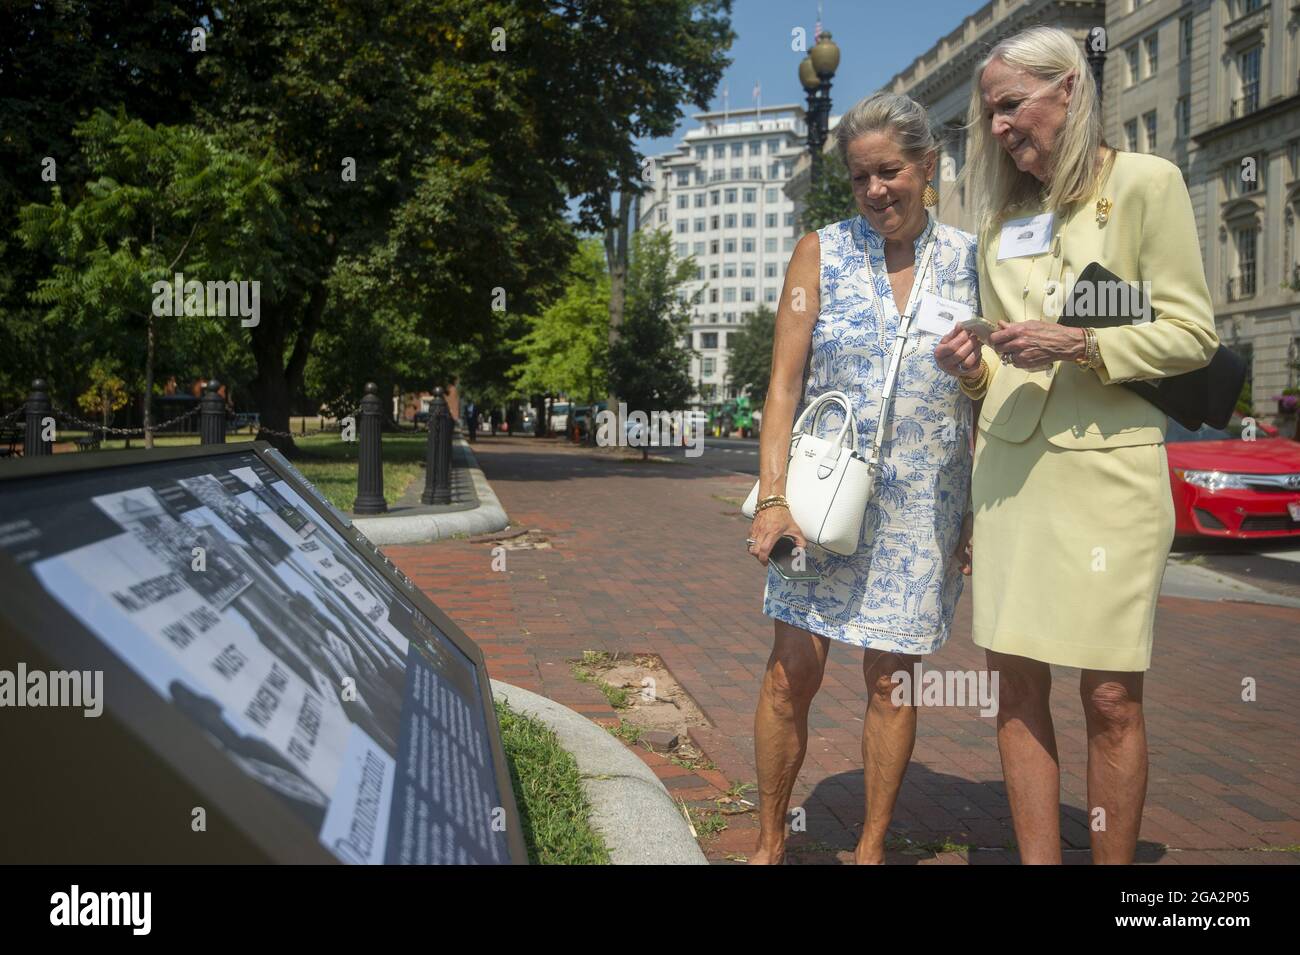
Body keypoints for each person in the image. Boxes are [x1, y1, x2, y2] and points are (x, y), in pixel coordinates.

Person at [934, 26, 1217, 864]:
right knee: (1016, 689)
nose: (997, 128)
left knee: (1110, 695)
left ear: (1068, 90)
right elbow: (1000, 373)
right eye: (989, 114)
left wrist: (1082, 344)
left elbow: (1192, 333)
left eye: (1010, 105)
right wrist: (971, 367)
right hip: (1013, 477)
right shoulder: (999, 225)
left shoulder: (1145, 185)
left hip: (1110, 474)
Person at [747, 91, 978, 865]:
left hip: (923, 505)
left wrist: (975, 516)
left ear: (927, 165)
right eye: (859, 177)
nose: (876, 190)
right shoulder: (820, 251)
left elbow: (991, 393)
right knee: (790, 675)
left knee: (893, 684)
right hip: (817, 498)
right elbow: (783, 385)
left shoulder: (972, 260)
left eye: (890, 171)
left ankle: (872, 848)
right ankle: (770, 840)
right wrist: (772, 496)